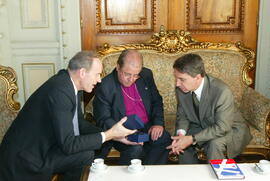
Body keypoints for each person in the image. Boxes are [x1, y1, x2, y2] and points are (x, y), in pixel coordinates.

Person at [0, 51, 136, 181]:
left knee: (87, 153)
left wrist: (115, 135)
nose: (99, 80)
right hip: (25, 161)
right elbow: (68, 145)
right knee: (84, 155)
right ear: (82, 72)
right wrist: (109, 135)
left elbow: (80, 125)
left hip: (43, 149)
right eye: (97, 74)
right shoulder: (60, 91)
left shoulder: (69, 85)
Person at [167, 53, 252, 163]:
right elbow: (182, 115)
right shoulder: (182, 88)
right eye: (176, 78)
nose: (177, 84)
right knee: (182, 141)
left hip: (229, 128)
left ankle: (216, 175)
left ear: (198, 77)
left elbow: (223, 127)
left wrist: (192, 139)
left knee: (214, 143)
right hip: (201, 125)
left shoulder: (221, 91)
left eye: (182, 79)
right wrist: (181, 135)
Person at [93, 49, 171, 165]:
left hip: (146, 126)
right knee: (135, 149)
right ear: (118, 67)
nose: (131, 79)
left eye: (136, 75)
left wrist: (158, 123)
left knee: (163, 137)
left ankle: (150, 174)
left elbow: (156, 101)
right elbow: (103, 119)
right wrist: (122, 132)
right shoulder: (105, 86)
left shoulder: (146, 75)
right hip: (122, 130)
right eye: (127, 74)